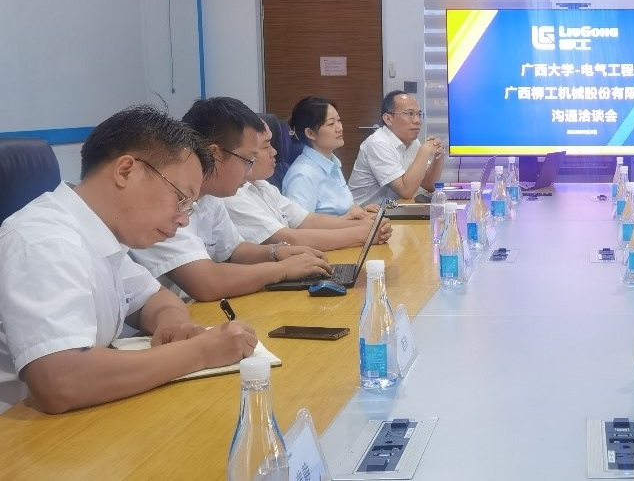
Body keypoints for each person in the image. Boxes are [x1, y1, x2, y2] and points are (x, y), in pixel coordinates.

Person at [0, 106, 258, 414]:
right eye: (180, 199)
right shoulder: (46, 241)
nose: (183, 219)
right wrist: (200, 351)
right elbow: (61, 381)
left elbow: (156, 298)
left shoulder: (100, 234)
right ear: (126, 171)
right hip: (20, 430)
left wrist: (173, 323)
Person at [129, 98, 332, 302]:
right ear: (215, 154)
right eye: (248, 160)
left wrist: (276, 252)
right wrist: (283, 270)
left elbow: (234, 250)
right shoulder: (165, 203)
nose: (250, 171)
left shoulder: (211, 197)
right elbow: (207, 283)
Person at [225, 119, 393, 251]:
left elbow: (306, 219)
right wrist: (362, 233)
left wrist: (366, 224)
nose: (274, 151)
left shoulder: (262, 186)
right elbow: (289, 238)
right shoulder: (232, 194)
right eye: (266, 146)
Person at [349, 91, 445, 206]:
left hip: (391, 210)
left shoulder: (412, 141)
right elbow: (406, 191)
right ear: (388, 119)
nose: (417, 121)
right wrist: (425, 150)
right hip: (364, 213)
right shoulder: (377, 143)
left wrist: (438, 156)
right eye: (409, 113)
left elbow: (429, 184)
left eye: (419, 114)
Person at [281, 96, 369, 217]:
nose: (340, 128)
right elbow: (300, 226)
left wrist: (361, 211)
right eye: (331, 123)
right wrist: (346, 218)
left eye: (339, 120)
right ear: (310, 133)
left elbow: (341, 210)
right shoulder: (302, 175)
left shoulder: (331, 163)